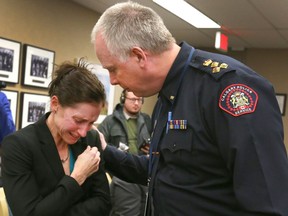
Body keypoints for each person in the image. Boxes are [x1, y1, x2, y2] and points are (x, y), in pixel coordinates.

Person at [90, 1, 288, 216]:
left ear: (139, 56)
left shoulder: (227, 88)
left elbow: (268, 203)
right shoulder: (167, 96)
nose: (112, 81)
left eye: (113, 69)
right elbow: (162, 171)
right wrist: (103, 150)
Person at [1, 59, 111, 216]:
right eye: (78, 121)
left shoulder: (91, 139)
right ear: (55, 104)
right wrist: (77, 177)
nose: (83, 132)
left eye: (91, 122)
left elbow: (103, 203)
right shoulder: (19, 145)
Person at [98, 89, 152, 216]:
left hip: (143, 172)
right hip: (121, 176)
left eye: (139, 100)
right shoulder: (110, 121)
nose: (136, 103)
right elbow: (100, 147)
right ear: (123, 99)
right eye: (133, 99)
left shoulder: (147, 120)